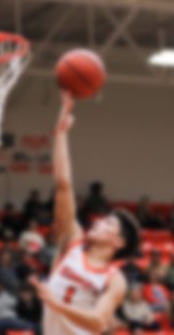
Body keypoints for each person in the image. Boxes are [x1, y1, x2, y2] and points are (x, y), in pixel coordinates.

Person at [29, 92, 140, 335]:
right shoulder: (72, 242)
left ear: (119, 241)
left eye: (108, 224)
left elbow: (99, 322)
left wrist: (55, 303)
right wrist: (60, 134)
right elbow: (63, 186)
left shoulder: (114, 279)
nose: (99, 222)